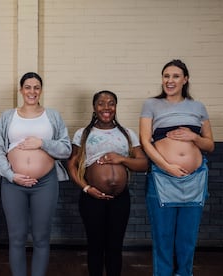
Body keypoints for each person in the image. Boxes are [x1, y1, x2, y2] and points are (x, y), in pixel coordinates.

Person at [0, 72, 72, 276]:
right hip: (13, 183)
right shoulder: (8, 116)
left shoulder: (52, 115)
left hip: (46, 183)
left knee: (41, 237)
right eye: (28, 87)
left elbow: (65, 149)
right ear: (21, 90)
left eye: (36, 87)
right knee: (17, 237)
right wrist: (11, 175)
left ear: (41, 90)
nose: (32, 91)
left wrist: (42, 143)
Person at [139, 59, 214, 276]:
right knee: (163, 236)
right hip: (163, 177)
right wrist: (166, 166)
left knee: (187, 237)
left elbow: (209, 144)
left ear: (185, 80)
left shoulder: (197, 107)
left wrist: (194, 137)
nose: (170, 81)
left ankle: (184, 273)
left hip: (195, 179)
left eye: (175, 76)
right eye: (166, 76)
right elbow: (145, 141)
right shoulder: (151, 104)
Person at [67, 90, 148, 276]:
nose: (106, 107)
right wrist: (86, 188)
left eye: (111, 103)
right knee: (95, 246)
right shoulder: (83, 134)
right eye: (101, 103)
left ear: (116, 107)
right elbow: (71, 165)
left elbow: (143, 164)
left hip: (120, 199)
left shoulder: (127, 134)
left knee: (115, 247)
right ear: (94, 108)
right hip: (92, 199)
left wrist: (122, 159)